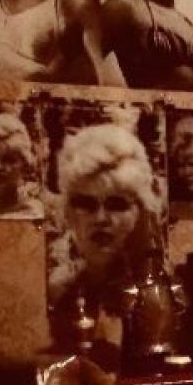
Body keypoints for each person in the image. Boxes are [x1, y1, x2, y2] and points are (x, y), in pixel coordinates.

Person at [47, 121, 162, 329]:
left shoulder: (159, 296)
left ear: (141, 211)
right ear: (68, 212)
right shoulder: (59, 292)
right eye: (86, 204)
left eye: (116, 205)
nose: (100, 218)